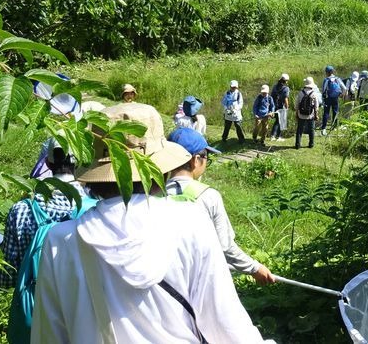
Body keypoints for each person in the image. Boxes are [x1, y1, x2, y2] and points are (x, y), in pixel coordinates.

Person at [32, 134, 271, 343]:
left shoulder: (60, 240)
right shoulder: (191, 221)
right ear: (160, 170)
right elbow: (224, 324)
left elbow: (49, 335)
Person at [165, 128, 276, 285]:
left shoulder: (155, 194)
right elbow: (225, 247)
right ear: (195, 160)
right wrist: (254, 268)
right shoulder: (208, 196)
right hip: (198, 281)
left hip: (164, 279)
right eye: (206, 157)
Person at [0, 140, 88, 289]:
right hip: (79, 305)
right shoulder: (93, 210)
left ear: (48, 163)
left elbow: (7, 278)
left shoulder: (21, 210)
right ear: (78, 163)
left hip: (34, 304)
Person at [294, 77, 320, 149]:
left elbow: (297, 105)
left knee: (299, 129)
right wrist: (316, 115)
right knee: (311, 129)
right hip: (310, 115)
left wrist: (296, 114)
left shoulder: (300, 93)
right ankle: (311, 144)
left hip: (301, 114)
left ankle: (297, 144)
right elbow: (316, 106)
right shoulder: (314, 93)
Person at [320, 65, 344, 136]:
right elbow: (344, 88)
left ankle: (324, 128)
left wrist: (322, 99)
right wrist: (342, 95)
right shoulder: (337, 79)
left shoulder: (326, 80)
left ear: (327, 72)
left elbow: (324, 90)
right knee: (335, 111)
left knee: (326, 112)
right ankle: (334, 126)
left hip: (328, 98)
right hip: (336, 97)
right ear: (333, 71)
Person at [269, 73, 290, 141]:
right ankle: (278, 137)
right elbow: (285, 99)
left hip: (274, 106)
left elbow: (271, 97)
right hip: (281, 106)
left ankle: (273, 136)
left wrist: (271, 108)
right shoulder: (286, 88)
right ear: (285, 81)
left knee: (277, 121)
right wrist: (287, 107)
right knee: (280, 121)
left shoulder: (275, 86)